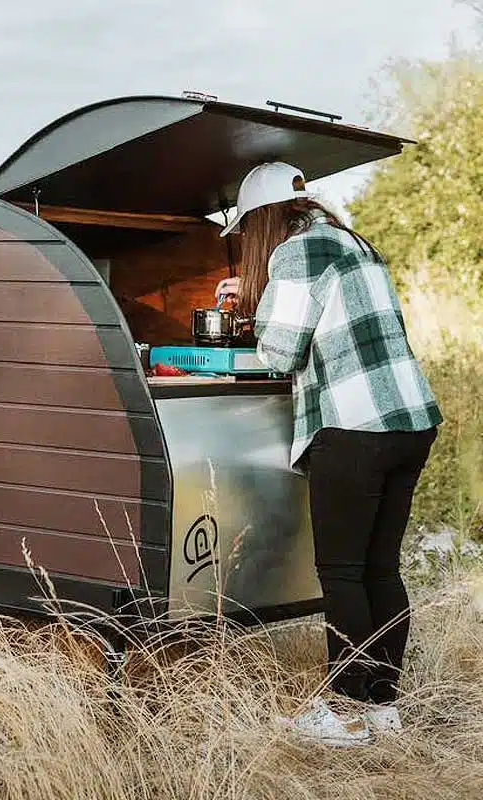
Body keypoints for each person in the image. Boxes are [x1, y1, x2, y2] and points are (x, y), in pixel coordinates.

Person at [214, 161, 442, 747]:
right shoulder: (349, 242)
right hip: (408, 419)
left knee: (341, 572)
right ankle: (382, 710)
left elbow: (281, 352)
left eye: (245, 233)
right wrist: (259, 295)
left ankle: (343, 713)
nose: (247, 246)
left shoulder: (295, 252)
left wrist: (250, 309)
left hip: (356, 425)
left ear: (261, 220)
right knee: (379, 568)